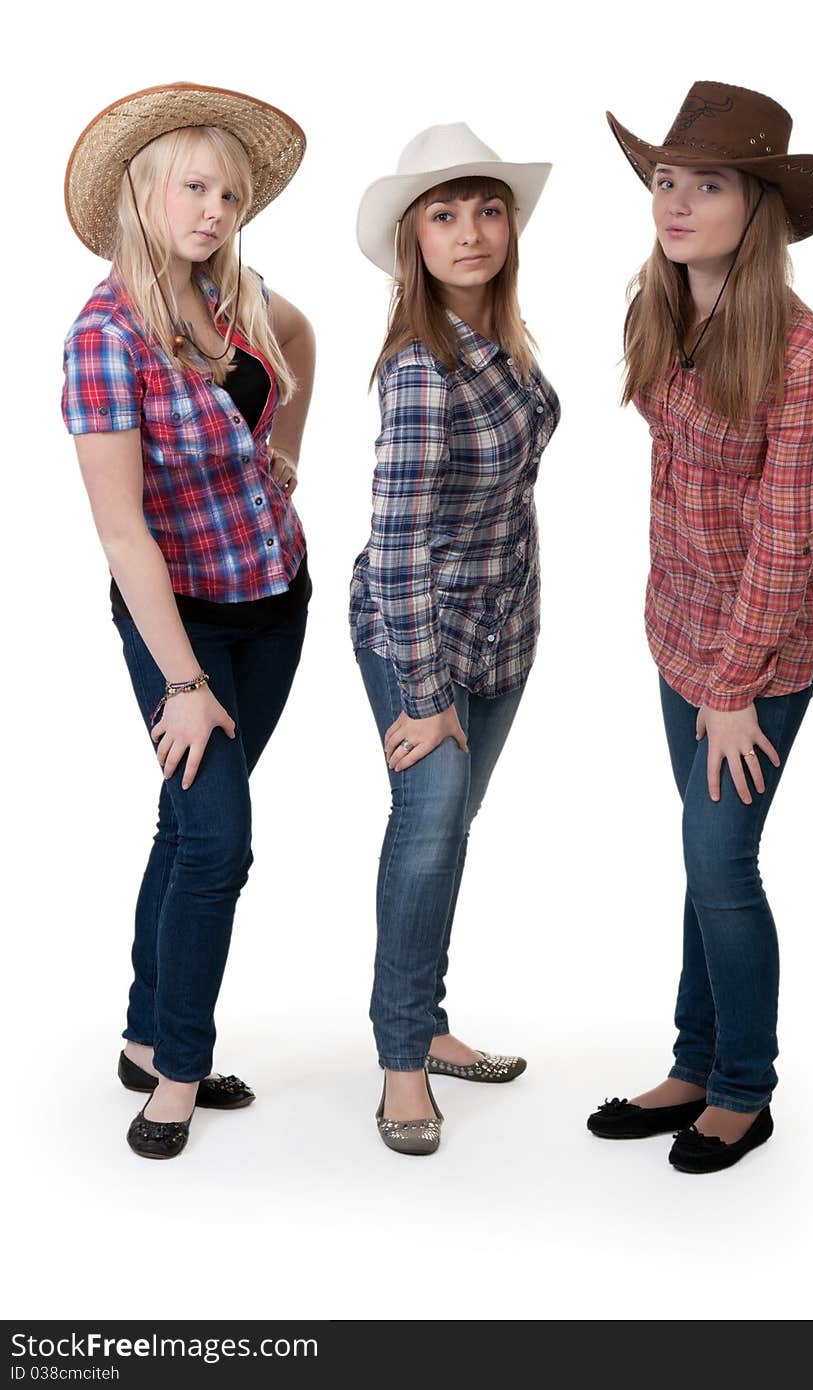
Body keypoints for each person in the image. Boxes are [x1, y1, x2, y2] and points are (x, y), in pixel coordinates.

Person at [588, 82, 813, 1172]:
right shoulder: (655, 307)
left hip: (765, 642)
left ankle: (745, 1087)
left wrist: (735, 685)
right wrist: (690, 657)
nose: (676, 201)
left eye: (707, 185)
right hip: (681, 623)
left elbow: (784, 537)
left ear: (759, 209)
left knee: (721, 859)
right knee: (704, 859)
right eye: (665, 179)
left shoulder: (801, 353)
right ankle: (695, 1060)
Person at [61, 83, 315, 1159]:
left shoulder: (236, 297)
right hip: (183, 628)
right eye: (194, 187)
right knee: (218, 842)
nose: (214, 209)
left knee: (185, 822)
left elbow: (291, 346)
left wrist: (285, 457)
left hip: (274, 600)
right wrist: (181, 682)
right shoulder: (103, 336)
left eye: (229, 192)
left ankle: (142, 1028)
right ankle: (177, 1069)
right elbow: (123, 536)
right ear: (146, 194)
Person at [350, 124, 559, 1155]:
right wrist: (423, 697)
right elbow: (395, 553)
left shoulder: (506, 345)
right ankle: (400, 1060)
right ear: (412, 241)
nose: (471, 232)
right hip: (415, 636)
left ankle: (428, 1023)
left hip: (499, 628)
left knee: (450, 832)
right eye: (444, 214)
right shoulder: (423, 371)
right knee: (427, 828)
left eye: (486, 209)